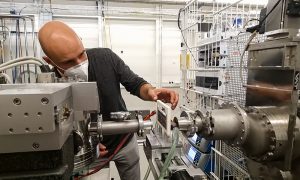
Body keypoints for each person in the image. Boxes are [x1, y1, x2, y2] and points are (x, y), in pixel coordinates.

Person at [38, 20, 179, 180]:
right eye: (69, 62)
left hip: (124, 141)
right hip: (92, 154)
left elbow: (134, 83)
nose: (80, 63)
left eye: (81, 54)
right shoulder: (49, 87)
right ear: (49, 61)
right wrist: (86, 145)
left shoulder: (105, 57)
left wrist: (151, 91)